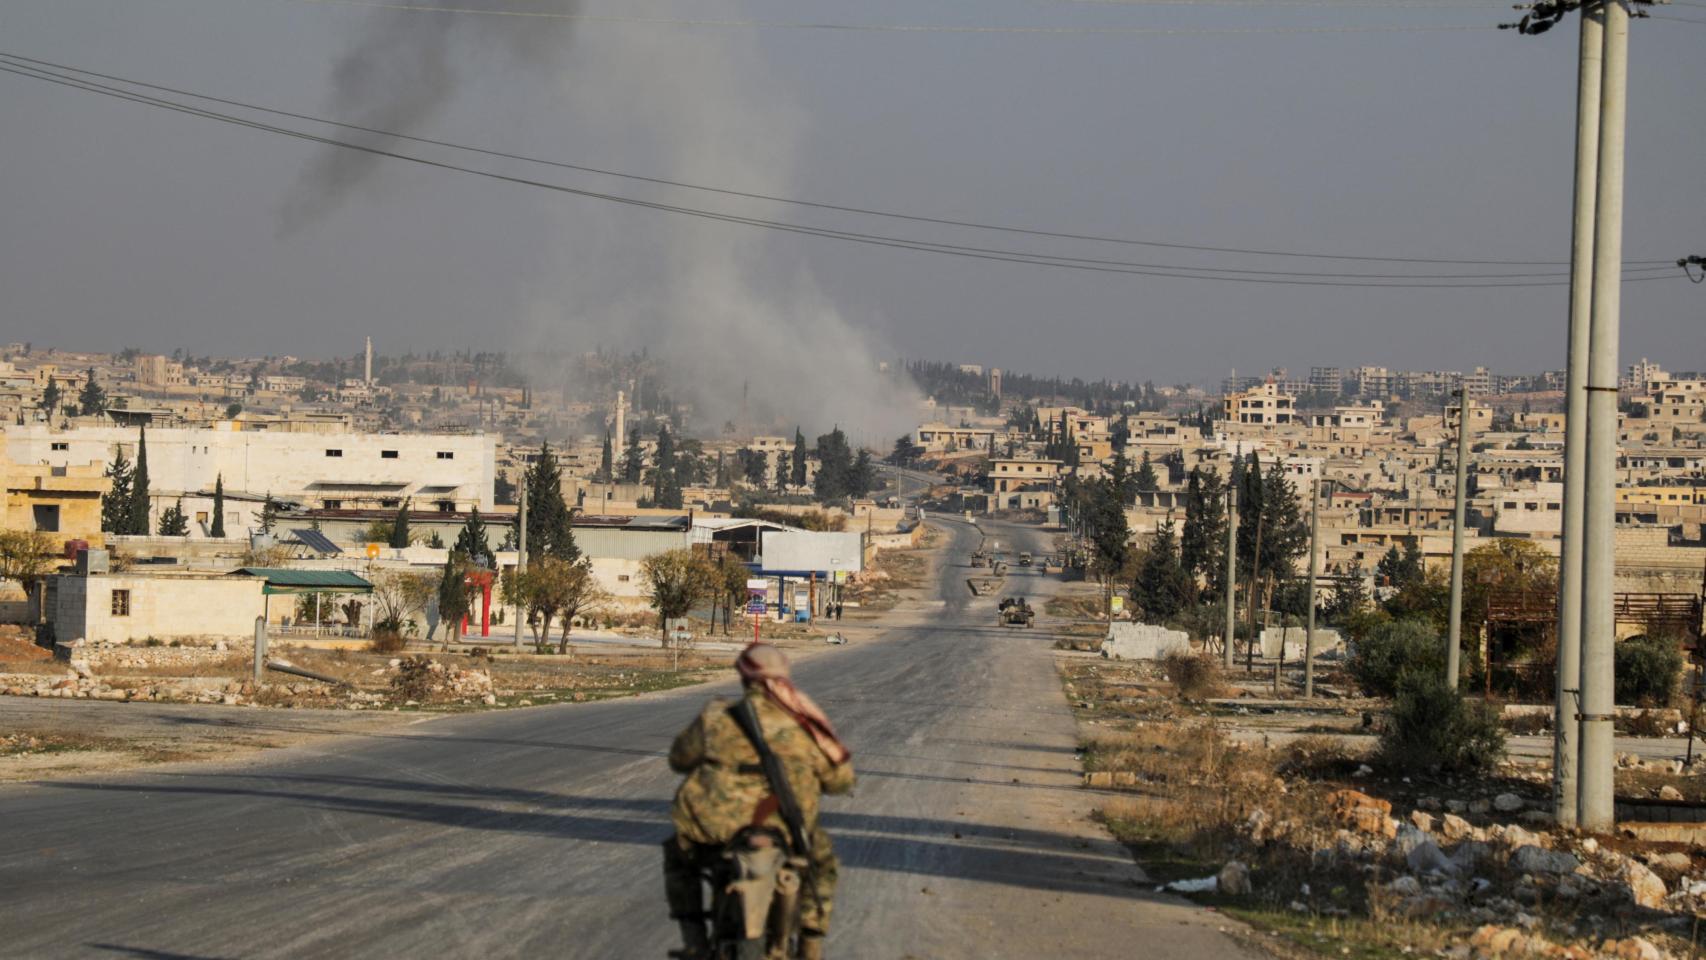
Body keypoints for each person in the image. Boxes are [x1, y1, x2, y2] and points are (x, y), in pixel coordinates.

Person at [664, 644, 854, 960]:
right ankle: (811, 946)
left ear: (744, 677)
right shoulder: (804, 723)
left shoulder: (716, 718)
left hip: (716, 829)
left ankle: (694, 939)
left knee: (678, 855)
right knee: (822, 864)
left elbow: (679, 758)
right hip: (787, 829)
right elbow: (840, 780)